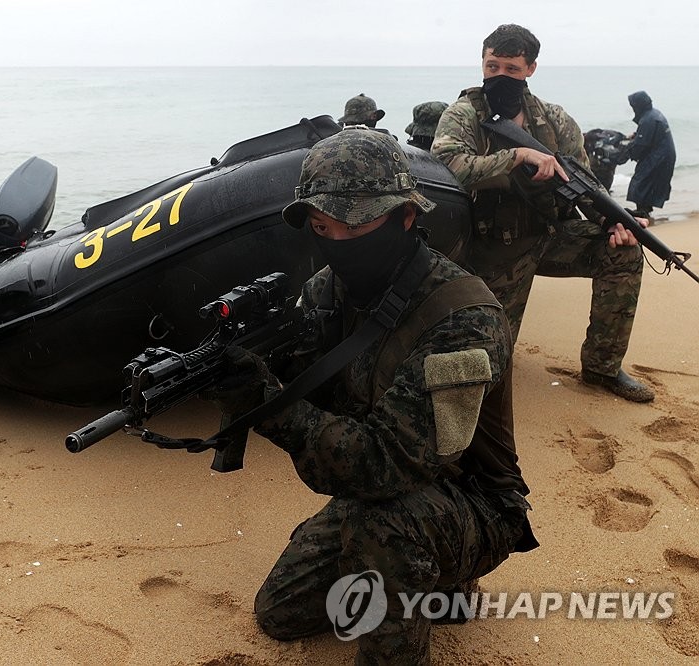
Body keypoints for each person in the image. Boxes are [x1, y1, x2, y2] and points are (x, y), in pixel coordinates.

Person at [207, 128, 535, 664]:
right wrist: (244, 369)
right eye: (320, 227)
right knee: (281, 612)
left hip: (471, 499)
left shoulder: (463, 316)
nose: (335, 241)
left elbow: (386, 462)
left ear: (407, 216)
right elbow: (312, 384)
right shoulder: (326, 293)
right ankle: (427, 582)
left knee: (385, 524)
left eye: (353, 225)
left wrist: (271, 407)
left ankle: (436, 591)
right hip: (380, 491)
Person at [432, 24, 653, 402]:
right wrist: (517, 156)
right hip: (493, 248)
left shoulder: (555, 120)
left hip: (551, 236)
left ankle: (602, 368)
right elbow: (447, 165)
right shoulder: (463, 114)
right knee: (487, 368)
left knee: (624, 252)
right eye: (492, 66)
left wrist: (613, 220)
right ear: (482, 64)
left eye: (512, 69)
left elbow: (587, 185)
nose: (500, 76)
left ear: (531, 68)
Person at [626, 91, 676, 218]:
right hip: (663, 155)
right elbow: (647, 137)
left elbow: (640, 145)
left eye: (633, 106)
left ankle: (643, 213)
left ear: (639, 105)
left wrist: (629, 153)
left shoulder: (648, 119)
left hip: (658, 157)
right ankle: (645, 211)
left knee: (641, 182)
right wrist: (637, 136)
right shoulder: (653, 114)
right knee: (649, 184)